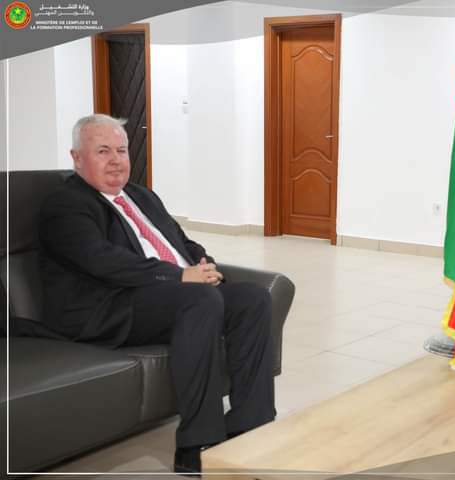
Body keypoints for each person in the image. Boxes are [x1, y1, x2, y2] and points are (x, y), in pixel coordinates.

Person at [38, 114, 276, 474]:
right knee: (200, 299)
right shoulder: (65, 204)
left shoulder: (141, 196)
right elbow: (103, 260)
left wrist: (204, 264)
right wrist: (180, 276)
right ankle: (198, 443)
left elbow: (181, 241)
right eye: (103, 151)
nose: (116, 160)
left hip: (164, 295)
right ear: (77, 158)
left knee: (253, 299)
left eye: (121, 150)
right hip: (110, 306)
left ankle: (251, 426)